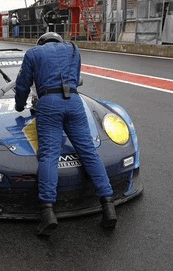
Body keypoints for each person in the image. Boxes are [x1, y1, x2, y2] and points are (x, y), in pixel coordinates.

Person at [14, 32, 117, 236]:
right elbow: (75, 78)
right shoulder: (73, 49)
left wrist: (19, 105)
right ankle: (108, 206)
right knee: (88, 152)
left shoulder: (33, 54)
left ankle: (48, 213)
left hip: (49, 104)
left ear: (41, 42)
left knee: (50, 155)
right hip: (74, 102)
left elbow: (23, 84)